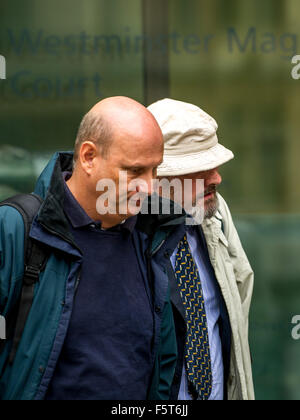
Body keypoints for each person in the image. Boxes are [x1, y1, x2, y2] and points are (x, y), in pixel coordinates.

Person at [0, 96, 186, 400]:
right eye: (135, 170)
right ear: (88, 157)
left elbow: (162, 365)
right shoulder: (15, 230)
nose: (150, 186)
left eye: (155, 170)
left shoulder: (152, 239)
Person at [148, 98, 255, 400]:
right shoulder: (124, 232)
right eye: (201, 168)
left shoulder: (216, 213)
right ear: (158, 177)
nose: (217, 178)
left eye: (215, 165)